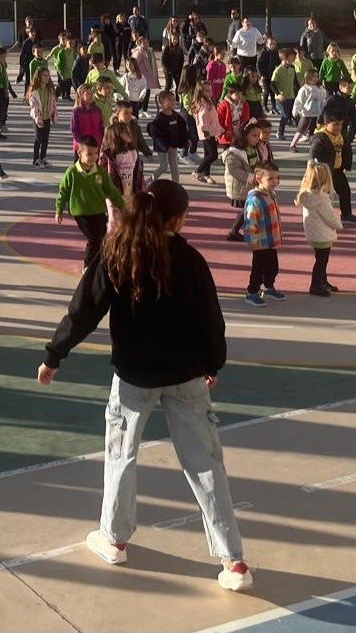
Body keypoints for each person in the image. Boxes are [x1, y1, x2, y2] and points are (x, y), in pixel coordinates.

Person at [38, 182, 253, 591]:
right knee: (206, 465)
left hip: (134, 377)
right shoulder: (189, 259)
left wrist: (54, 354)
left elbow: (83, 310)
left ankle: (114, 539)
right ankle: (234, 561)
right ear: (176, 219)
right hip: (186, 375)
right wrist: (212, 363)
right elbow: (211, 319)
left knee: (120, 456)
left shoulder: (116, 253)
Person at [56, 135, 126, 270]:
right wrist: (59, 209)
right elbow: (63, 191)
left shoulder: (100, 172)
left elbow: (111, 191)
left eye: (96, 153)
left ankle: (100, 264)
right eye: (89, 154)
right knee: (94, 239)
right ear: (79, 153)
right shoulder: (72, 172)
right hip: (81, 212)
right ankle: (87, 266)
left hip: (98, 210)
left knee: (103, 238)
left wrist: (123, 206)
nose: (93, 157)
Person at [309, 100, 356, 223]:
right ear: (326, 124)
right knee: (324, 195)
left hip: (337, 169)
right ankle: (320, 216)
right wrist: (316, 171)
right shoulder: (320, 138)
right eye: (335, 124)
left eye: (341, 124)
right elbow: (313, 156)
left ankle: (346, 214)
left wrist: (346, 165)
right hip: (324, 172)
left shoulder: (341, 136)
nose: (339, 127)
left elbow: (346, 149)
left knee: (345, 190)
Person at [242, 160, 284, 307]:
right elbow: (250, 221)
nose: (275, 181)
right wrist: (252, 240)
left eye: (277, 178)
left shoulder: (271, 194)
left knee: (273, 266)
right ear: (259, 178)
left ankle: (269, 286)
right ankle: (252, 292)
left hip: (271, 239)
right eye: (271, 178)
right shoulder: (255, 199)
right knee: (258, 268)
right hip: (260, 241)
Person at [297, 161, 341, 297]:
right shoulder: (322, 199)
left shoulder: (306, 195)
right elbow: (330, 217)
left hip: (313, 233)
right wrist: (339, 225)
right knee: (322, 261)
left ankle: (322, 281)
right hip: (322, 234)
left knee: (321, 259)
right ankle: (316, 284)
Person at [147, 91, 186, 182]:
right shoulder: (160, 118)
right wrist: (165, 146)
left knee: (174, 167)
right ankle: (148, 181)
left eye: (173, 100)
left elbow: (183, 129)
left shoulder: (176, 115)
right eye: (169, 100)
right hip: (162, 148)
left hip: (173, 146)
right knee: (163, 167)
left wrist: (186, 139)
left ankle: (176, 185)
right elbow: (156, 136)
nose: (172, 102)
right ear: (162, 102)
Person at [28, 68, 57, 168]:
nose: (47, 77)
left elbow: (53, 103)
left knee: (45, 139)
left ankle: (43, 157)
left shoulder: (49, 89)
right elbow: (33, 106)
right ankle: (35, 159)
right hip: (37, 118)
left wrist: (53, 113)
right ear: (39, 77)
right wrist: (37, 117)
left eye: (48, 75)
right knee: (38, 139)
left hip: (46, 117)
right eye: (44, 75)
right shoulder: (35, 90)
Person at [290, 71, 326, 152]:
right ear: (307, 78)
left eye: (316, 77)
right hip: (306, 113)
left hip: (317, 113)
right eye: (313, 77)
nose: (315, 79)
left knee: (313, 132)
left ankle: (313, 147)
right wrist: (295, 110)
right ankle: (293, 144)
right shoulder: (304, 89)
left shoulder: (320, 88)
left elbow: (323, 99)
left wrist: (323, 110)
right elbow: (298, 101)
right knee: (300, 129)